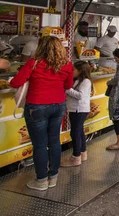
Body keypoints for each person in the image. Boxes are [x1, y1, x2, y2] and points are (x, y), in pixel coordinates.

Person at [10, 37, 73, 190]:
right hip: (58, 106)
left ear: (41, 47)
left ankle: (41, 181)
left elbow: (15, 82)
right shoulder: (67, 64)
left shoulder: (34, 63)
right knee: (54, 142)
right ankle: (53, 177)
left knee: (39, 145)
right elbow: (68, 85)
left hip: (37, 107)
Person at [61, 61, 92, 167]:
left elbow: (80, 96)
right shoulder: (77, 80)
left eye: (73, 69)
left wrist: (67, 89)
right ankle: (82, 153)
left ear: (80, 71)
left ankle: (76, 156)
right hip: (74, 109)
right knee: (79, 132)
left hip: (79, 110)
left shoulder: (86, 82)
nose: (71, 71)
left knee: (75, 133)